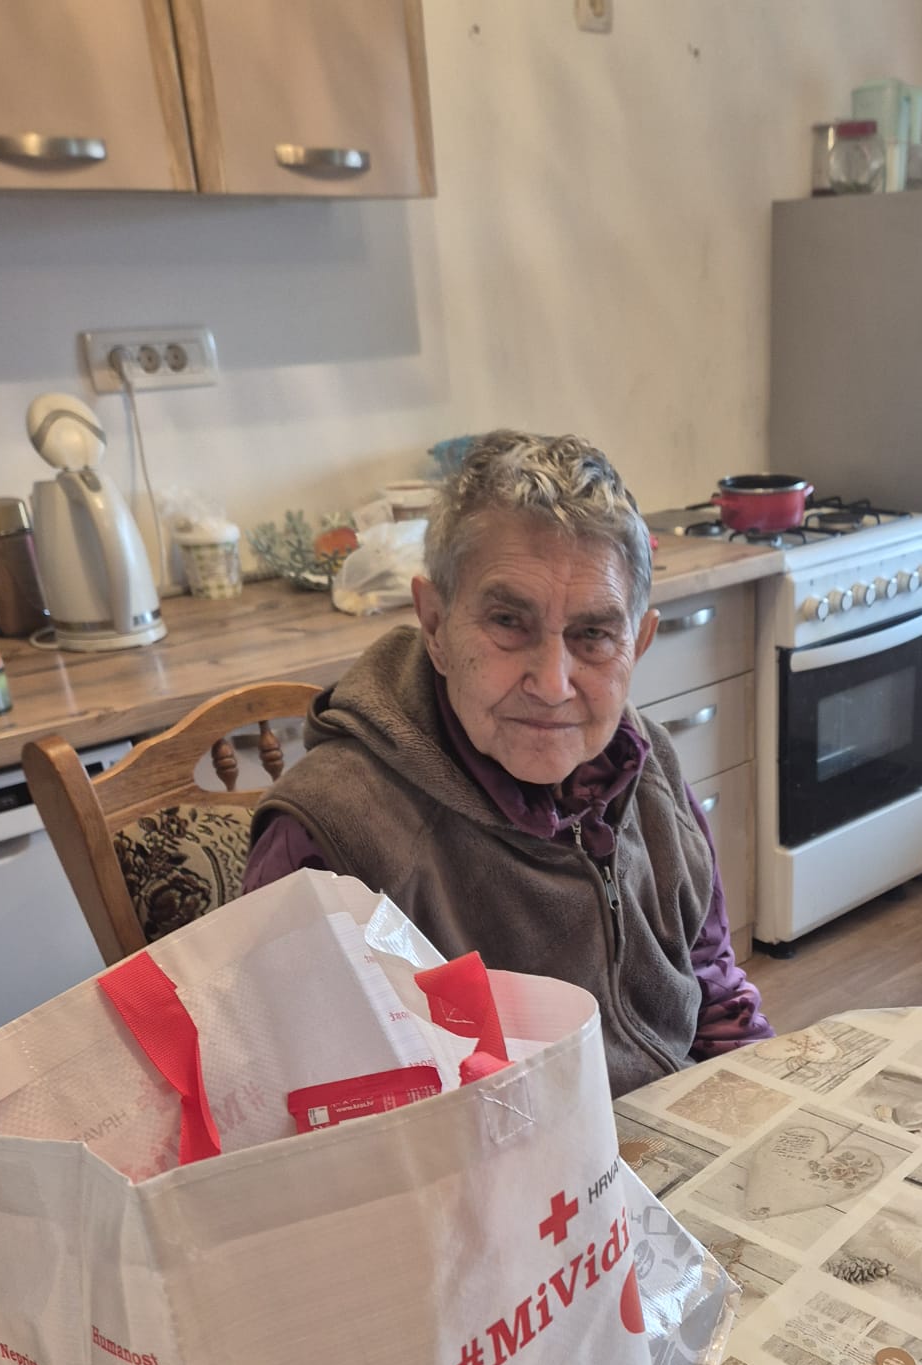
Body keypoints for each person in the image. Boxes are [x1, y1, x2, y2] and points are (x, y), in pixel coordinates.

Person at [244, 429, 772, 1095]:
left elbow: (713, 988)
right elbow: (301, 1111)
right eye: (507, 622)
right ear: (435, 626)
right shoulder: (328, 839)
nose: (552, 684)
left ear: (637, 643)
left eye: (593, 634)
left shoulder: (649, 765)